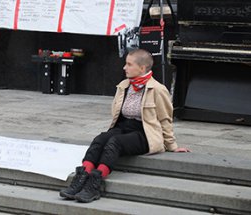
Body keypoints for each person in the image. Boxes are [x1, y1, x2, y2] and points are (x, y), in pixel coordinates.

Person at [59, 49, 190, 203]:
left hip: (144, 133)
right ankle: (80, 180)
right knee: (100, 139)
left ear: (142, 68)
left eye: (129, 64)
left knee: (115, 143)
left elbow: (165, 119)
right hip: (124, 126)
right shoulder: (124, 86)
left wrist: (172, 145)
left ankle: (94, 185)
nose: (124, 68)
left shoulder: (158, 90)